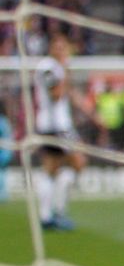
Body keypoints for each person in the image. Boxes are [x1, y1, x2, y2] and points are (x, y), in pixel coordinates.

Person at [31, 35, 87, 231]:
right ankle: (56, 212)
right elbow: (56, 95)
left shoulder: (53, 67)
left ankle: (49, 216)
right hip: (56, 126)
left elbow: (67, 95)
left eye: (65, 47)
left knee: (52, 168)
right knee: (78, 162)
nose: (63, 51)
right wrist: (64, 69)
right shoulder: (48, 67)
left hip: (53, 125)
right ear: (52, 48)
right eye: (59, 47)